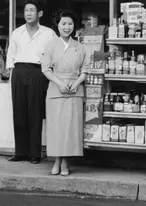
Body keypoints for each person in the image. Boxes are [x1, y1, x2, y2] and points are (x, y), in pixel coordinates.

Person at [6, 3, 56, 164]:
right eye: (26, 10)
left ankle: (35, 153)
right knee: (19, 111)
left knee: (35, 112)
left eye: (32, 10)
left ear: (39, 13)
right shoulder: (17, 33)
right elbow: (11, 55)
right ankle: (20, 152)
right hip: (19, 72)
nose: (28, 13)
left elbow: (55, 54)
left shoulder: (48, 33)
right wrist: (10, 75)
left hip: (37, 72)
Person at [42, 9, 89, 176]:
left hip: (74, 90)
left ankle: (66, 162)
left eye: (70, 24)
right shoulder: (50, 46)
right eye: (63, 24)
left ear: (74, 26)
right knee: (57, 128)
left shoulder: (81, 47)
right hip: (56, 89)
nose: (67, 27)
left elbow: (85, 69)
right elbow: (46, 69)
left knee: (71, 128)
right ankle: (56, 160)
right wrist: (59, 83)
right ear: (57, 25)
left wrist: (76, 83)